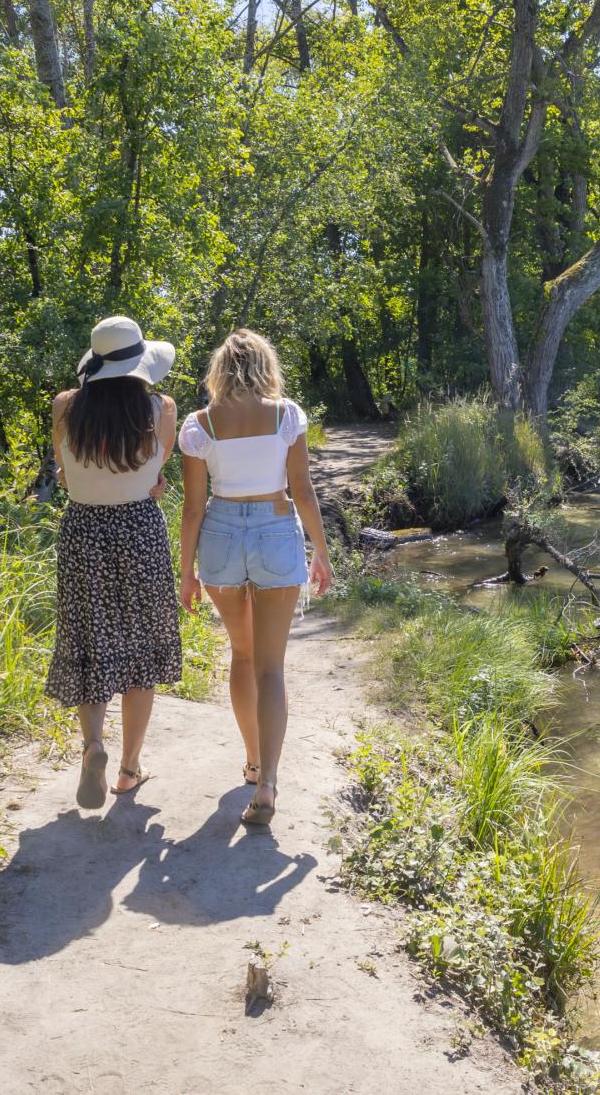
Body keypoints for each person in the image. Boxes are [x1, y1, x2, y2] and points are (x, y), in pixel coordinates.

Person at [178, 329, 334, 827]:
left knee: (241, 655)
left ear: (219, 369)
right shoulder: (287, 415)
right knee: (271, 667)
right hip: (274, 530)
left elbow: (192, 509)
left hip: (220, 534)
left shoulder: (199, 424)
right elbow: (302, 491)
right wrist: (321, 551)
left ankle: (251, 760)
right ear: (266, 365)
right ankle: (267, 782)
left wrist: (186, 572)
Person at [46, 315, 182, 808]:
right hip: (139, 530)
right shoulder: (160, 408)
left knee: (90, 639)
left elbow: (65, 475)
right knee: (141, 650)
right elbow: (153, 472)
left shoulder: (66, 406)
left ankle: (93, 745)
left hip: (84, 531)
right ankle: (128, 768)